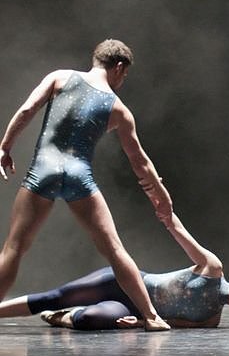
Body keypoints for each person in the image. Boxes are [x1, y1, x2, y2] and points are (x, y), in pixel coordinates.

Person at [0, 39, 173, 331]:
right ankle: (153, 317)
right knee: (114, 250)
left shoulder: (59, 78)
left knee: (14, 248)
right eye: (124, 75)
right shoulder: (119, 109)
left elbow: (27, 110)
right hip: (78, 176)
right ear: (119, 67)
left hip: (43, 170)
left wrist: (5, 147)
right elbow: (140, 162)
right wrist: (161, 196)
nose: (122, 82)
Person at [0, 212, 229, 329]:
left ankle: (63, 317)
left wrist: (142, 323)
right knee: (54, 297)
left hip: (132, 308)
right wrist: (164, 208)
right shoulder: (212, 269)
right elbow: (179, 232)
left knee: (88, 320)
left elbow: (168, 323)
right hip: (125, 281)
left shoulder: (211, 319)